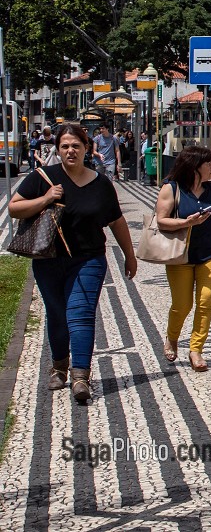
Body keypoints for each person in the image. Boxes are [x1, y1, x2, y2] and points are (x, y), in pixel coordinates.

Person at [7, 123, 137, 403]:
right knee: (57, 314)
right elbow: (15, 207)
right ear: (58, 149)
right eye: (64, 146)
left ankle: (81, 376)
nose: (70, 151)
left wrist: (130, 254)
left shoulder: (101, 183)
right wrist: (45, 198)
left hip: (88, 259)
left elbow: (116, 220)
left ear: (86, 148)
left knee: (80, 314)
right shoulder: (43, 177)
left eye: (75, 146)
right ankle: (59, 367)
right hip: (48, 259)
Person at [154, 145, 211, 372]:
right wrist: (186, 223)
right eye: (208, 164)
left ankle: (196, 349)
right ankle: (172, 338)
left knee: (206, 301)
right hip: (180, 255)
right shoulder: (172, 188)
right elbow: (160, 220)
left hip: (210, 253)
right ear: (194, 166)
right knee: (182, 304)